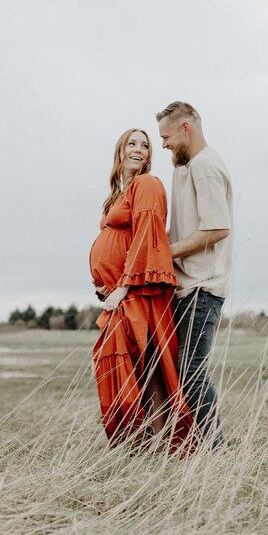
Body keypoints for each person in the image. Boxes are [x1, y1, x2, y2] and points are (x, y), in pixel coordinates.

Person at [89, 128, 194, 449]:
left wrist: (123, 287)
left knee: (151, 365)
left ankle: (164, 442)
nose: (138, 149)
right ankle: (141, 441)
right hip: (119, 290)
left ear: (149, 156)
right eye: (132, 144)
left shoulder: (146, 184)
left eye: (145, 146)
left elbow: (148, 236)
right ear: (120, 151)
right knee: (136, 365)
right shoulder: (117, 195)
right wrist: (106, 284)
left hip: (139, 289)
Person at [157, 101, 233, 450]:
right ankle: (189, 443)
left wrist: (163, 254)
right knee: (180, 370)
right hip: (185, 287)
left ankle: (214, 449)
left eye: (167, 137)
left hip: (203, 288)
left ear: (186, 128)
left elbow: (218, 229)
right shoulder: (186, 168)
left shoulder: (205, 166)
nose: (164, 145)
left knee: (191, 371)